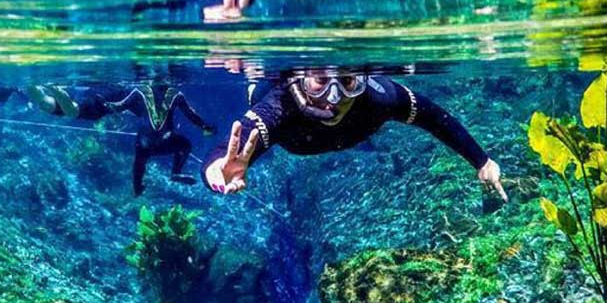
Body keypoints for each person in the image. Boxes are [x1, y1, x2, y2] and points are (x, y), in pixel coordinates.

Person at [202, 69, 508, 212]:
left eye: (347, 82)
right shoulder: (279, 107)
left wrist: (482, 162)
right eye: (321, 81)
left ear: (361, 79)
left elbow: (435, 118)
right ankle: (254, 81)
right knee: (259, 92)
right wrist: (216, 170)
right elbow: (233, 148)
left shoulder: (380, 97)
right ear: (299, 79)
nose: (334, 98)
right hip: (275, 104)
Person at [28, 83, 216, 196]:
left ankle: (35, 86)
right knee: (183, 145)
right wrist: (205, 127)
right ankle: (174, 172)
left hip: (142, 138)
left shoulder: (139, 92)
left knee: (140, 159)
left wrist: (111, 107)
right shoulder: (166, 94)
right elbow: (191, 115)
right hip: (162, 137)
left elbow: (121, 105)